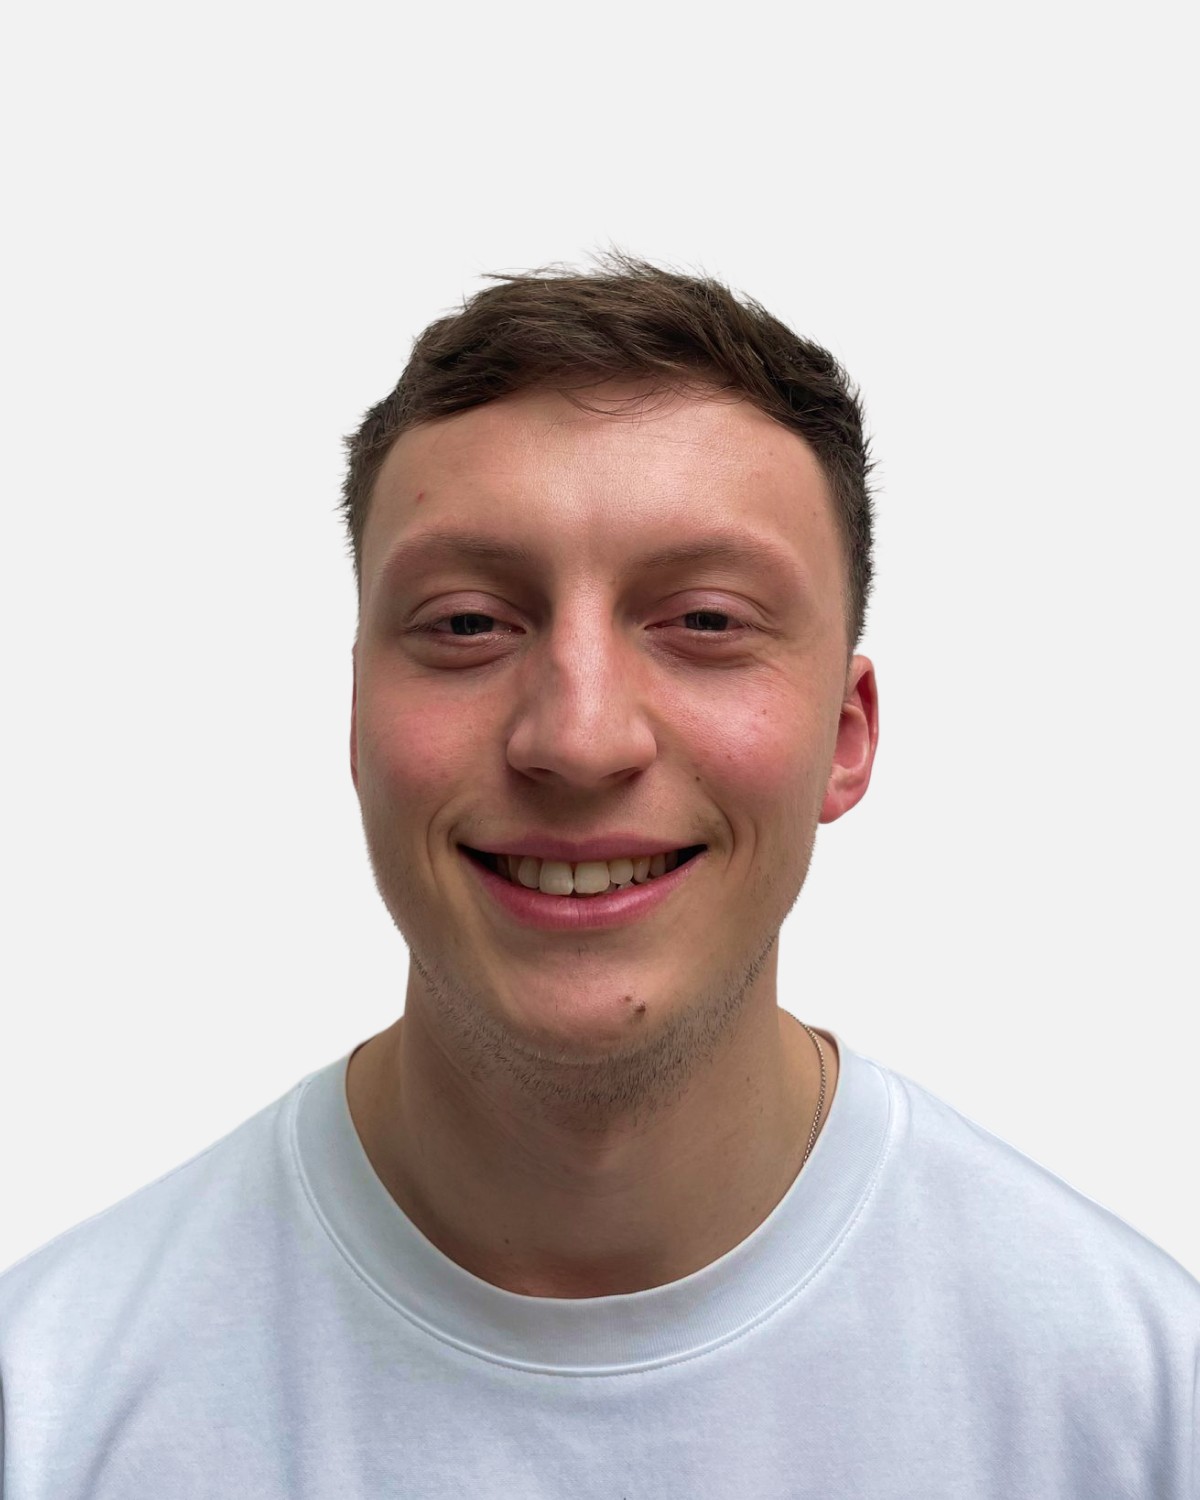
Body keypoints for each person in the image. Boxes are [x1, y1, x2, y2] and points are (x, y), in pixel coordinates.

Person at [1, 253, 1196, 1499]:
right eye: (468, 623)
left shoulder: (1141, 1408)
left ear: (845, 737)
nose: (577, 739)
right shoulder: (48, 1412)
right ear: (357, 725)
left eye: (707, 621)